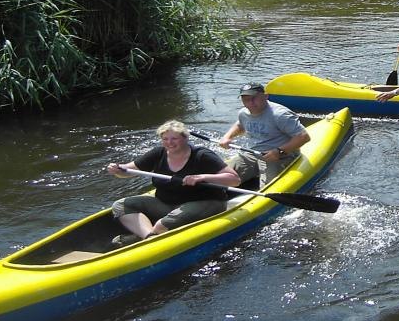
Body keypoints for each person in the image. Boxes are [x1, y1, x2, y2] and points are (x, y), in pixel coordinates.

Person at [106, 120, 241, 247]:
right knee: (121, 205)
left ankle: (148, 238)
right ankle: (150, 238)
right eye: (165, 139)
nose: (169, 143)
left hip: (207, 202)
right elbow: (127, 171)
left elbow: (234, 180)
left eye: (174, 138)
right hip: (168, 204)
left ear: (185, 138)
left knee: (161, 225)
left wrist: (202, 177)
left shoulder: (202, 155)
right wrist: (118, 169)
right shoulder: (158, 153)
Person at [219, 82, 311, 188]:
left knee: (268, 187)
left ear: (266, 96)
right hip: (252, 153)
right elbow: (240, 125)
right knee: (220, 175)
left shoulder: (280, 115)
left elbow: (303, 137)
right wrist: (227, 137)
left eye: (254, 98)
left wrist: (279, 151)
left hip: (281, 156)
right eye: (246, 99)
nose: (250, 103)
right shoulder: (243, 113)